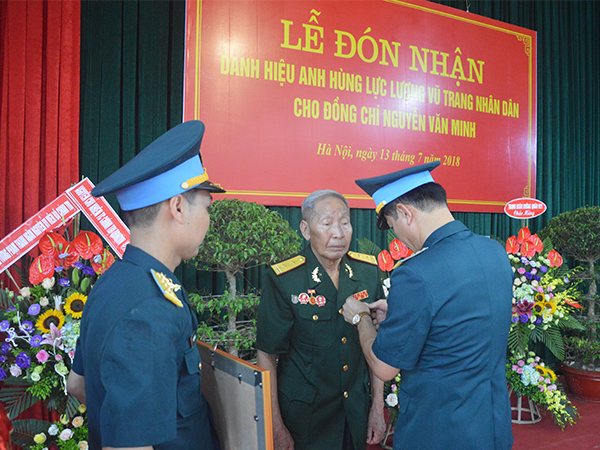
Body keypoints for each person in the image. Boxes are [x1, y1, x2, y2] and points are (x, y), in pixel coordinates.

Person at [66, 121, 224, 450]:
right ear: (178, 207)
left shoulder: (116, 282)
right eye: (207, 207)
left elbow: (78, 385)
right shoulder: (149, 311)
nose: (209, 219)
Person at [342, 161, 514, 450]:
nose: (398, 237)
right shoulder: (494, 251)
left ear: (406, 213)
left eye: (393, 226)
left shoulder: (416, 273)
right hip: (492, 424)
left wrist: (361, 320)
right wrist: (399, 314)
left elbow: (384, 368)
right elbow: (458, 322)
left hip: (440, 431)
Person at [256, 190, 386, 450]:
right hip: (306, 418)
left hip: (354, 413)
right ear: (306, 229)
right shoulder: (285, 279)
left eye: (345, 223)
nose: (338, 233)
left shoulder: (368, 272)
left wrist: (377, 406)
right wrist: (275, 424)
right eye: (327, 224)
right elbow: (266, 354)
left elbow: (378, 343)